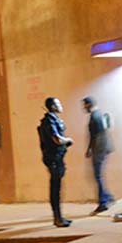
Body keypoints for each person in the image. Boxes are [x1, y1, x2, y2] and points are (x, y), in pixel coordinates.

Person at [38, 97, 74, 227]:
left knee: (57, 188)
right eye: (58, 103)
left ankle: (59, 217)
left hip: (57, 157)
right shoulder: (49, 121)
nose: (61, 105)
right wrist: (68, 140)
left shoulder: (54, 119)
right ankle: (57, 218)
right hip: (53, 158)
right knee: (55, 188)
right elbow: (57, 139)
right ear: (53, 106)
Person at [83, 97, 114, 214]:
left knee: (98, 175)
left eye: (85, 105)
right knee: (98, 175)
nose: (84, 108)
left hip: (99, 149)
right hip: (101, 148)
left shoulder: (95, 116)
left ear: (89, 104)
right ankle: (107, 197)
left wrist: (92, 150)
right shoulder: (98, 115)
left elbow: (98, 135)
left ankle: (103, 202)